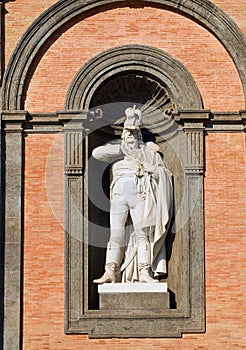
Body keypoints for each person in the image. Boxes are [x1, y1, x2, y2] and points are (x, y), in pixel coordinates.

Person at [92, 107, 173, 283]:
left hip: (140, 194)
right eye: (127, 135)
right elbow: (96, 153)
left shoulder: (149, 153)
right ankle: (110, 270)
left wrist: (148, 165)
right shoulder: (119, 153)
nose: (130, 138)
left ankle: (144, 272)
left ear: (139, 137)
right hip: (119, 194)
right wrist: (122, 149)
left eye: (133, 135)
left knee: (142, 233)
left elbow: (163, 174)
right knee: (115, 233)